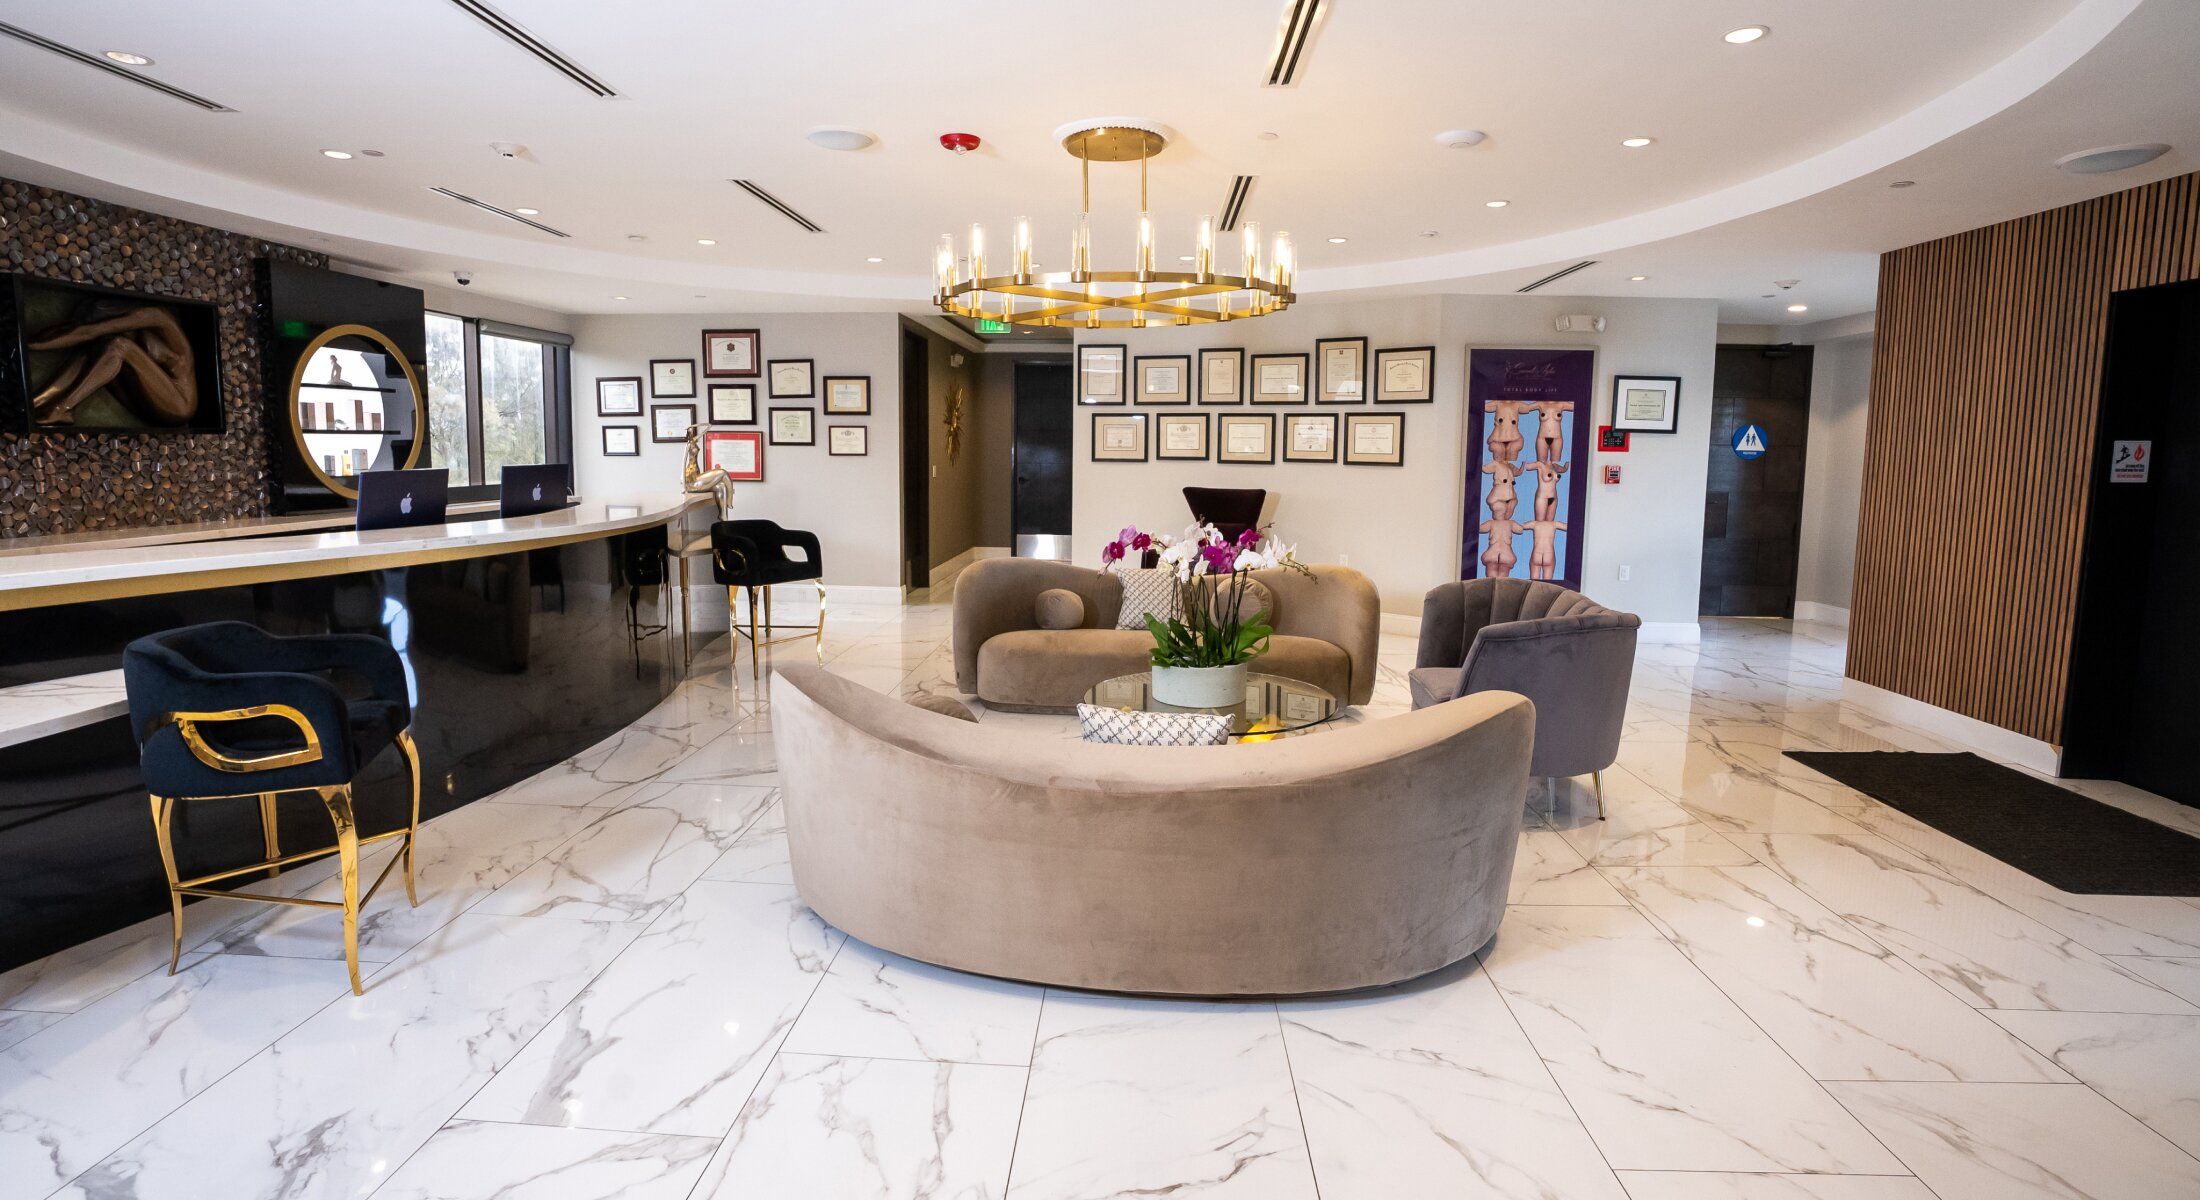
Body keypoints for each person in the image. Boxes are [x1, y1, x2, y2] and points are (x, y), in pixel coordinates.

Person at [29, 303, 197, 426]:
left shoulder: (154, 316)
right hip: (145, 405)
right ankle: (36, 402)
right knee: (97, 348)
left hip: (178, 406)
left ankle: (62, 409)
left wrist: (29, 344)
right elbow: (81, 332)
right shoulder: (124, 324)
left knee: (119, 346)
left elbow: (88, 332)